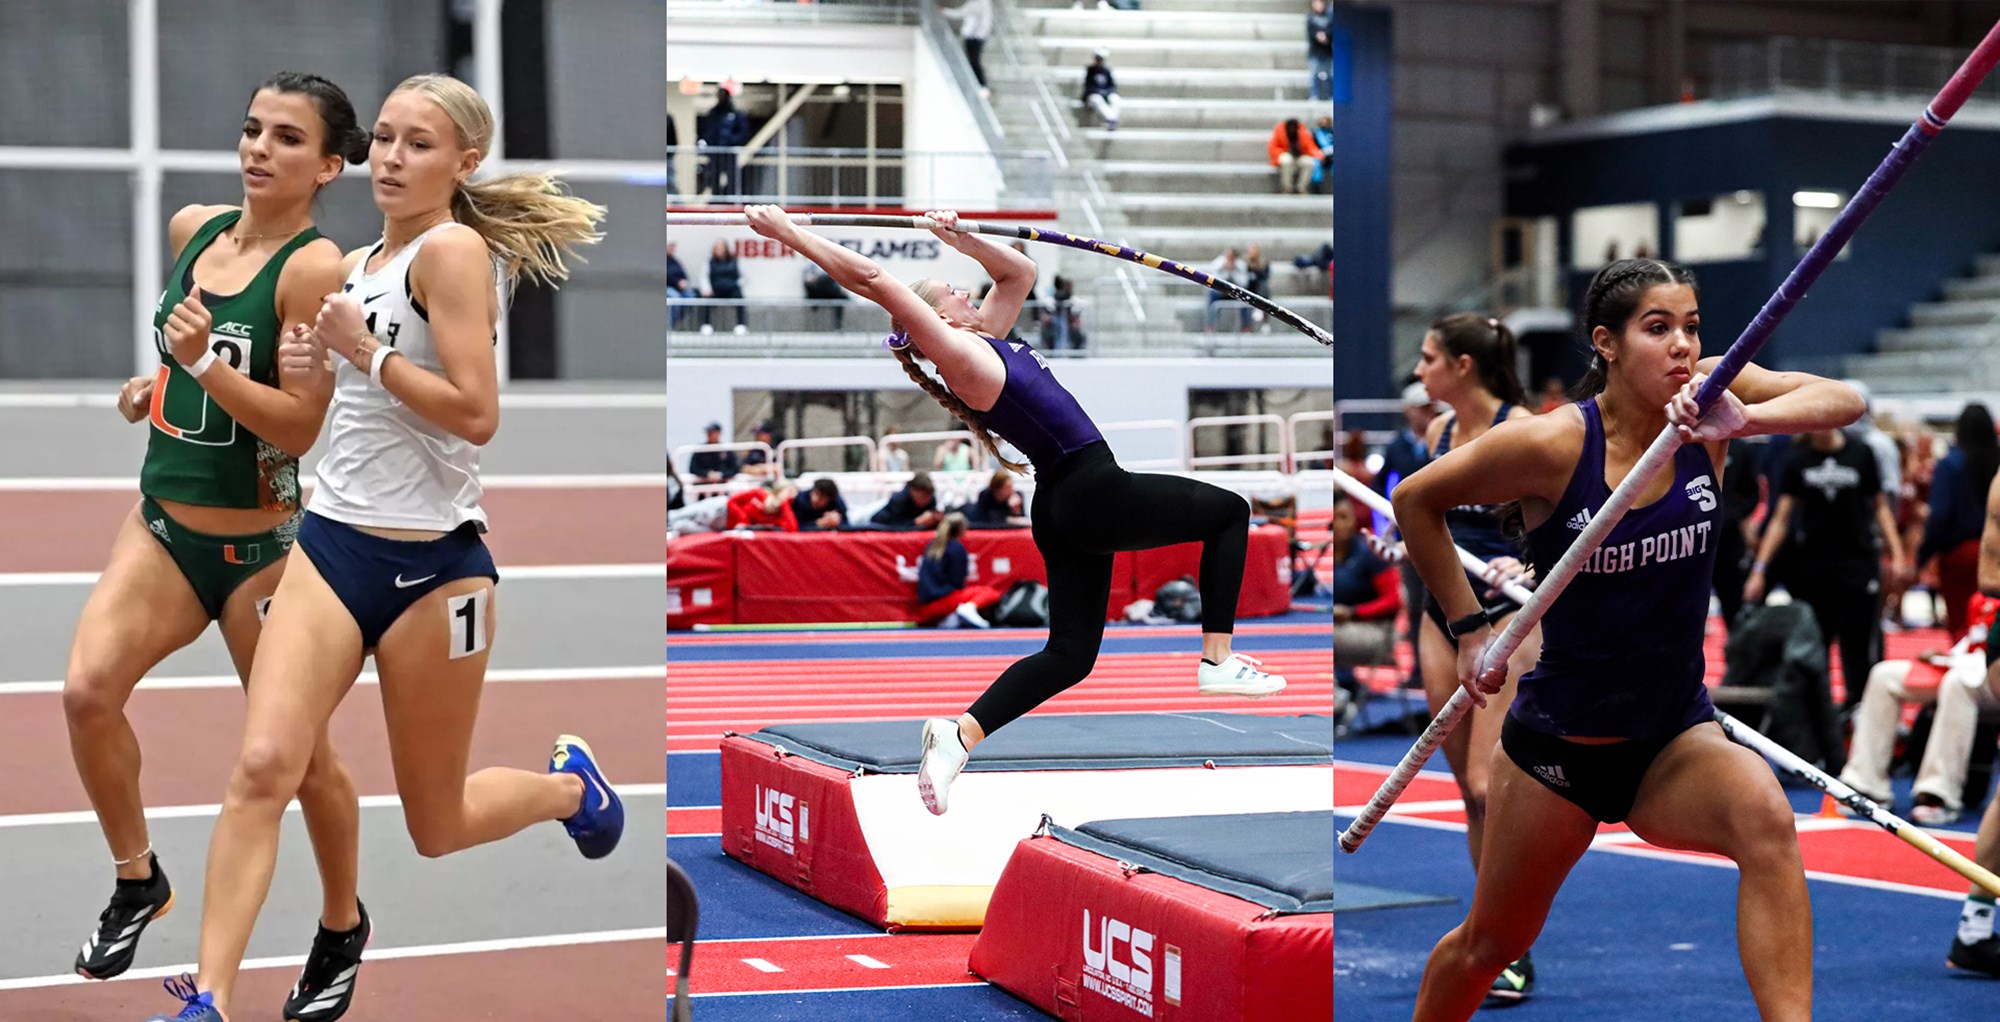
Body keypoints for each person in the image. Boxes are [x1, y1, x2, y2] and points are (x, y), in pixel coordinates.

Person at [143, 74, 617, 1022]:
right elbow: (333, 412)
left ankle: (572, 792)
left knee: (437, 826)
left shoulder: (453, 252)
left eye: (418, 145)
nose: (392, 160)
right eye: (386, 139)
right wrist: (313, 368)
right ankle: (210, 1000)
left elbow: (476, 415)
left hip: (436, 571)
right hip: (331, 547)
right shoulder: (356, 264)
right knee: (262, 767)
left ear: (464, 163)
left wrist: (365, 353)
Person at [1394, 257, 1862, 1020]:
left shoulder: (1712, 395)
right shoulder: (1553, 444)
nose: (1682, 345)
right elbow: (1417, 501)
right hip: (1559, 752)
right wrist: (1470, 627)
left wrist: (1743, 421)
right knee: (1490, 945)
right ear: (1606, 344)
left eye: (1691, 327)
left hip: (1672, 737)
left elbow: (1845, 401)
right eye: (1658, 328)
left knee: (1767, 819)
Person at [744, 203, 1286, 817]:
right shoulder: (961, 355)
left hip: (1061, 504)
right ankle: (1217, 659)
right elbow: (873, 279)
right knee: (1229, 512)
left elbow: (1019, 274)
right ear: (937, 318)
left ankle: (958, 737)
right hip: (1090, 488)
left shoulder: (985, 342)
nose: (967, 292)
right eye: (954, 291)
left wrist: (963, 237)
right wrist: (790, 234)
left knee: (1070, 656)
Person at [65, 72, 367, 1018]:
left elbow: (298, 428)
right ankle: (137, 878)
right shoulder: (191, 230)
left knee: (302, 761)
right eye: (252, 129)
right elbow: (188, 363)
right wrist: (152, 386)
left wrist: (197, 362)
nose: (259, 149)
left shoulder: (315, 270)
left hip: (260, 552)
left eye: (287, 138)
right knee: (86, 693)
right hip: (161, 526)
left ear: (328, 166)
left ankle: (341, 924)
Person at [1408, 311, 1543, 1005]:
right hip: (1442, 617)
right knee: (1467, 790)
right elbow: (1423, 517)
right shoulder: (1436, 431)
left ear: (1463, 366)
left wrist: (1529, 565)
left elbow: (1565, 522)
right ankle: (1491, 936)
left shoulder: (1525, 432)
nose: (1418, 370)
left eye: (1429, 357)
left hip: (1505, 618)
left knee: (1492, 789)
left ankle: (1510, 947)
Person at [1744, 425, 1906, 714]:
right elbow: (1781, 518)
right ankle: (1819, 711)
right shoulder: (1798, 458)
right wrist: (1759, 569)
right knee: (1816, 642)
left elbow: (1879, 507)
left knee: (1858, 642)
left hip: (1857, 563)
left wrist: (1897, 553)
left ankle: (1859, 707)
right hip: (1814, 566)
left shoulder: (1861, 453)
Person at [1838, 593, 1998, 828]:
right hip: (1970, 667)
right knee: (1884, 675)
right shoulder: (1980, 599)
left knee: (1957, 684)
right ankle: (1865, 785)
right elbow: (1976, 641)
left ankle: (1938, 793)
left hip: (1989, 678)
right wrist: (1949, 656)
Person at [1918, 404, 1999, 636]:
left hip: (1960, 557)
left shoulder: (1950, 464)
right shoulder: (1996, 464)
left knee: (1963, 625)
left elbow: (1939, 515)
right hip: (1995, 552)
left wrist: (1924, 555)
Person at [916, 512, 1004, 628]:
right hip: (942, 602)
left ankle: (950, 617)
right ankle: (968, 608)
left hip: (926, 607)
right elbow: (957, 580)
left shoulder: (933, 545)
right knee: (989, 593)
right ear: (962, 529)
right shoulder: (956, 548)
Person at [942, 0, 993, 96]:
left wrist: (944, 11)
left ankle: (981, 85)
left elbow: (960, 13)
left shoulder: (975, 4)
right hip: (980, 36)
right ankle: (981, 85)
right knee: (974, 61)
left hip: (973, 36)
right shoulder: (985, 4)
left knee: (973, 61)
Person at [1268, 117, 1324, 195]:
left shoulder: (1303, 133)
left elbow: (1309, 146)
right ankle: (1287, 188)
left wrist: (1318, 155)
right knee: (1286, 160)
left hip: (1299, 156)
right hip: (1284, 154)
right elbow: (1273, 148)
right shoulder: (1279, 132)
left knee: (1309, 162)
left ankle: (1302, 187)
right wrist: (1283, 152)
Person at [872, 471, 945, 529]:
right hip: (877, 521)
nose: (926, 500)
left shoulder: (931, 499)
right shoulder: (898, 500)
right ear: (912, 491)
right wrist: (916, 522)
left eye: (928, 497)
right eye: (923, 497)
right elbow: (893, 526)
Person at [702, 238, 745, 334]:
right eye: (717, 248)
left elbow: (743, 276)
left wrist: (737, 285)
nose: (719, 250)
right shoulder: (709, 262)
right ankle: (706, 325)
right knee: (706, 300)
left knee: (740, 299)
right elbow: (705, 276)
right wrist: (707, 289)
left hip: (732, 289)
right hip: (716, 289)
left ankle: (741, 325)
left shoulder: (734, 261)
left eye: (721, 248)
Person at [966, 469, 1030, 527]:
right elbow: (982, 518)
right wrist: (1008, 519)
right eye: (1007, 487)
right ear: (997, 489)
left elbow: (1022, 520)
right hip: (970, 514)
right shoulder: (985, 495)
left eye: (1011, 486)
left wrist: (1016, 510)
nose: (1011, 490)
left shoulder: (1017, 496)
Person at [728, 481, 800, 530]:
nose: (790, 496)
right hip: (728, 517)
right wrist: (743, 518)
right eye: (790, 492)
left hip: (741, 533)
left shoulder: (779, 515)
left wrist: (786, 505)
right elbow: (732, 501)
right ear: (779, 490)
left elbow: (792, 529)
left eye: (793, 497)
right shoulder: (758, 493)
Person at [1082, 49, 1120, 129]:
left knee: (1115, 99)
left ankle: (1111, 120)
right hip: (1092, 96)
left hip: (1105, 95)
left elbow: (1112, 86)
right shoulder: (1090, 70)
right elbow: (1088, 87)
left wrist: (1106, 92)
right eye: (1098, 59)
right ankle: (1111, 119)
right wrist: (1099, 92)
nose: (1099, 61)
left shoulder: (1107, 71)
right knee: (1097, 99)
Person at [1307, 0, 1334, 101]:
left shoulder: (1329, 18)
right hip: (1315, 52)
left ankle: (1330, 95)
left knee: (1329, 75)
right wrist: (1318, 35)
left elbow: (1330, 30)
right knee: (1314, 74)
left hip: (1327, 52)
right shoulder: (1310, 18)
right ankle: (1314, 95)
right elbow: (1311, 31)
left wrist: (1325, 36)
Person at [667, 240, 695, 328]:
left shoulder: (675, 261)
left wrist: (684, 282)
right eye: (670, 246)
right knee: (675, 297)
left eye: (673, 246)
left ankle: (678, 321)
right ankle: (670, 325)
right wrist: (677, 282)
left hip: (679, 288)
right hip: (667, 287)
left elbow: (684, 275)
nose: (672, 248)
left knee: (690, 296)